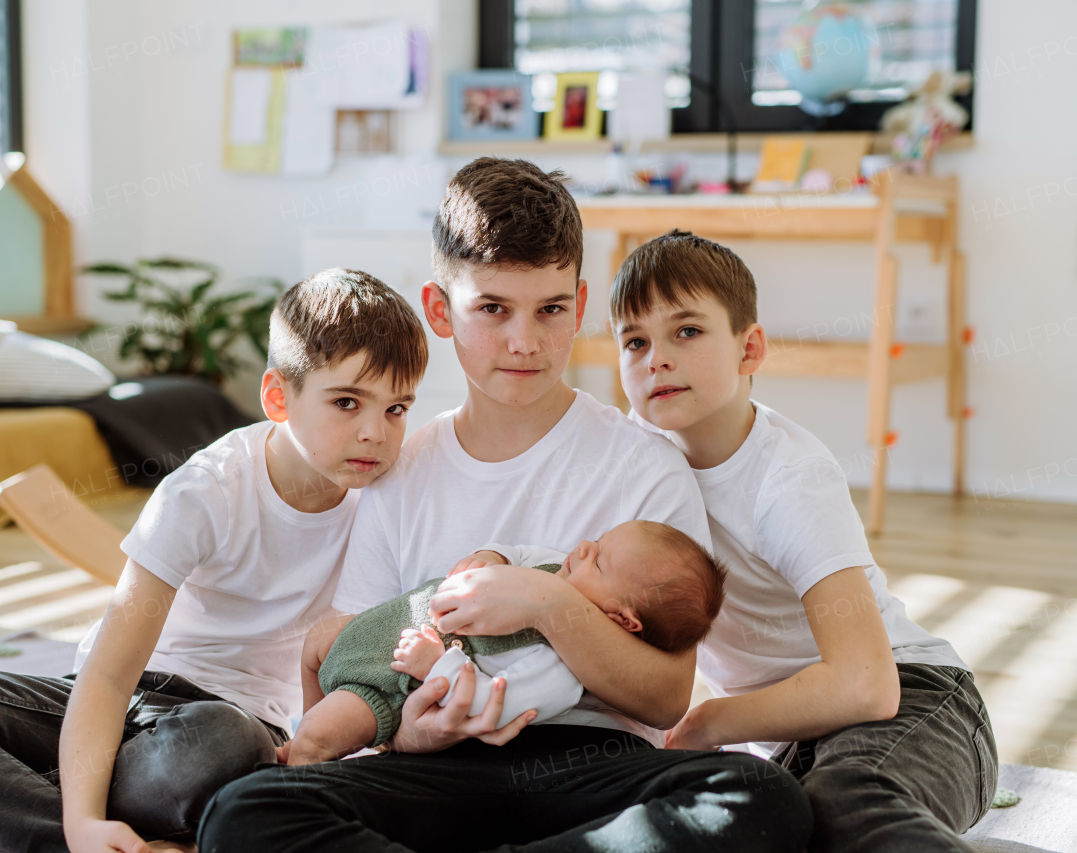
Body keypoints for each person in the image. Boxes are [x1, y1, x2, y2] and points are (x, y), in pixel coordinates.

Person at [196, 159, 813, 853]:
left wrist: (544, 602)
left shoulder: (645, 463)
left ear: (579, 309)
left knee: (759, 796)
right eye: (492, 308)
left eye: (550, 309)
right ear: (439, 311)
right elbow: (360, 662)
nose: (524, 341)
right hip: (438, 767)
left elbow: (668, 696)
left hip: (594, 768)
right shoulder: (401, 473)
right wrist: (409, 731)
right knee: (244, 811)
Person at [0, 269, 428, 853]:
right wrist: (80, 823)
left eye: (397, 409)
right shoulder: (208, 489)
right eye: (346, 402)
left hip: (232, 730)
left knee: (221, 747)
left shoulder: (395, 496)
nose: (375, 433)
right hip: (119, 699)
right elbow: (107, 675)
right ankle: (62, 827)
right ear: (278, 397)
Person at [609, 228, 998, 852]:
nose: (656, 357)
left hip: (917, 702)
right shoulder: (633, 456)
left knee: (843, 802)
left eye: (687, 331)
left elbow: (867, 683)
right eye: (635, 341)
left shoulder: (789, 479)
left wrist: (710, 720)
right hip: (790, 737)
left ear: (750, 348)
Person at [287, 521, 725, 765]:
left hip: (391, 685)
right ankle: (293, 743)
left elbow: (490, 704)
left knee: (320, 737)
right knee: (317, 643)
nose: (585, 545)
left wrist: (435, 665)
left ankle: (302, 761)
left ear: (621, 619)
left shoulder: (561, 674)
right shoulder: (557, 568)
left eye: (601, 560)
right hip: (380, 633)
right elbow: (517, 553)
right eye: (599, 539)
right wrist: (491, 558)